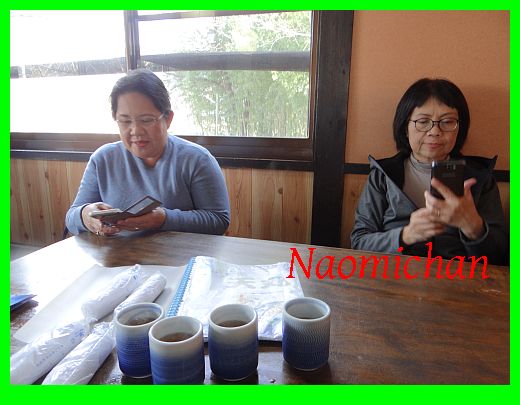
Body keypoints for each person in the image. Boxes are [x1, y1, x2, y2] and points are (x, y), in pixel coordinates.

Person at [350, 78, 508, 265]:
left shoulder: (480, 178)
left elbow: (500, 257)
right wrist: (406, 235)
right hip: (394, 276)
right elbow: (359, 243)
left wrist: (474, 227)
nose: (434, 131)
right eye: (423, 121)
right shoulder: (382, 175)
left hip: (459, 279)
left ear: (459, 129)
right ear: (405, 128)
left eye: (447, 122)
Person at [65, 69, 230, 236]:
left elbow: (219, 221)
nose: (136, 130)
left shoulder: (197, 159)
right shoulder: (102, 159)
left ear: (168, 119)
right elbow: (71, 218)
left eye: (146, 120)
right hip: (118, 252)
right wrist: (84, 215)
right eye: (125, 121)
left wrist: (164, 219)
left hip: (180, 253)